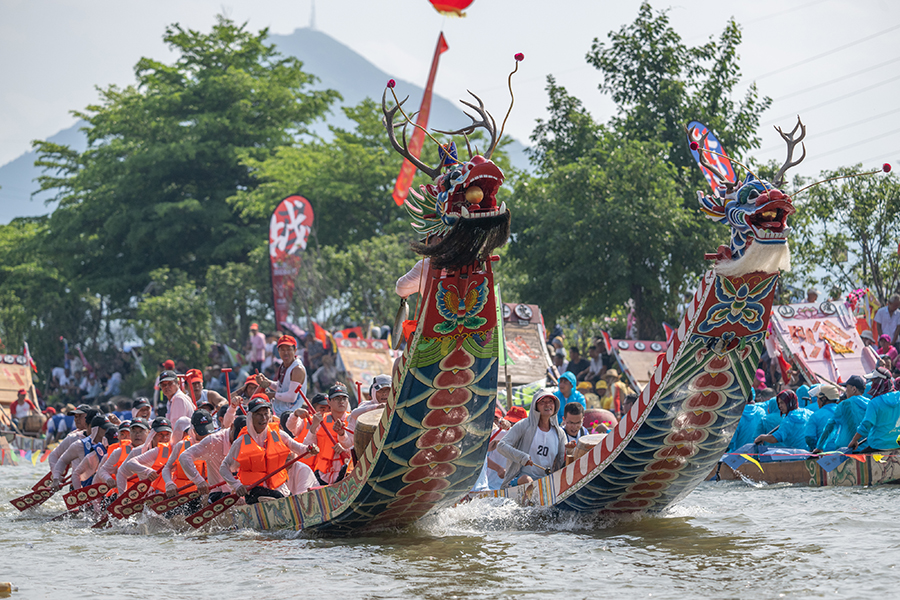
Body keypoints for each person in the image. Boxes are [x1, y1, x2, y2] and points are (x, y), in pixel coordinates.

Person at [219, 396, 319, 504]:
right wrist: (237, 485)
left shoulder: (278, 434)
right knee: (275, 497)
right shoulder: (241, 442)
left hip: (280, 489)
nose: (263, 418)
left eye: (266, 413)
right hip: (255, 492)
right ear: (251, 417)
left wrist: (309, 449)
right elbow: (224, 468)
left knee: (285, 498)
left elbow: (300, 449)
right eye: (258, 414)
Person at [497, 390, 566, 488]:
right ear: (535, 406)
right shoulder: (524, 425)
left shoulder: (560, 433)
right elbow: (501, 446)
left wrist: (571, 450)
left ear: (555, 405)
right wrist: (521, 457)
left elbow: (562, 461)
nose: (547, 405)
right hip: (520, 480)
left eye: (550, 401)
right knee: (527, 480)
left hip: (546, 483)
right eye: (543, 402)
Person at [180, 415, 247, 503]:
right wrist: (199, 481)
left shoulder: (251, 439)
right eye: (235, 439)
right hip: (220, 493)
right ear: (231, 427)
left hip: (244, 491)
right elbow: (184, 457)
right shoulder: (213, 441)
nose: (237, 445)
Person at [304, 383, 353, 485]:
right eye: (337, 398)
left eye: (344, 398)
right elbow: (306, 451)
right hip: (323, 475)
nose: (341, 401)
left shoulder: (353, 420)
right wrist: (313, 426)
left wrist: (345, 450)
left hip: (347, 474)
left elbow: (360, 449)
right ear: (329, 402)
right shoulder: (320, 420)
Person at [51, 415, 114, 490]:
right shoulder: (79, 445)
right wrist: (56, 478)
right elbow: (63, 460)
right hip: (81, 488)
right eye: (105, 428)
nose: (108, 431)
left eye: (109, 428)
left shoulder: (112, 443)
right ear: (95, 429)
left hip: (103, 487)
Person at [116, 417, 174, 495]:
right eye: (160, 434)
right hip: (147, 496)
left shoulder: (174, 449)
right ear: (152, 434)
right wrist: (123, 495)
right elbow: (121, 472)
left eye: (167, 434)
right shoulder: (137, 451)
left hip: (170, 494)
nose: (164, 438)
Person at [813, 376, 870, 453]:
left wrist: (820, 446)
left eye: (847, 388)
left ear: (854, 389)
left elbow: (830, 426)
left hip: (848, 450)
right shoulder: (870, 403)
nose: (846, 392)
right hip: (868, 448)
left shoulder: (844, 404)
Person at [849, 367, 900, 452]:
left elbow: (866, 424)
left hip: (879, 445)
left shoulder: (875, 402)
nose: (871, 385)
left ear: (879, 382)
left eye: (873, 381)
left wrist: (854, 440)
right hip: (897, 444)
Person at [256, 335, 307, 416]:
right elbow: (281, 388)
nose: (285, 353)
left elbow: (291, 397)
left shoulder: (297, 369)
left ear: (295, 350)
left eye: (289, 349)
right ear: (278, 351)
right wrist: (267, 382)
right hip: (279, 409)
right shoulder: (283, 366)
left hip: (290, 413)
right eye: (282, 350)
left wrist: (272, 395)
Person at [803, 384, 840, 451]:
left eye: (818, 398)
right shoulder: (844, 412)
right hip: (844, 454)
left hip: (823, 455)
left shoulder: (815, 415)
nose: (817, 401)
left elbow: (809, 437)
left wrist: (815, 449)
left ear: (824, 399)